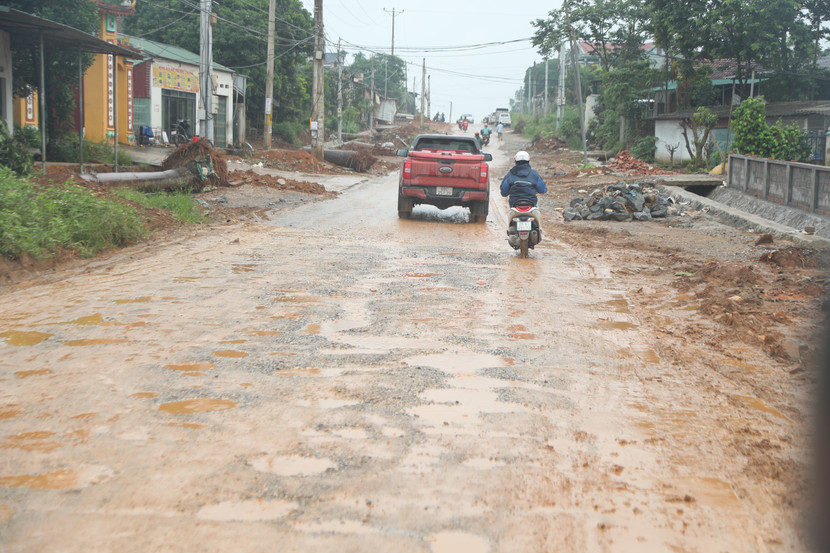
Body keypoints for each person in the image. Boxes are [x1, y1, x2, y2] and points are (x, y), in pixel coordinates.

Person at [500, 151, 547, 246]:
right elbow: (542, 190)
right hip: (531, 205)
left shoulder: (510, 174)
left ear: (515, 162)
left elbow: (504, 192)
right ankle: (537, 229)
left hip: (515, 205)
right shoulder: (534, 174)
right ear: (528, 161)